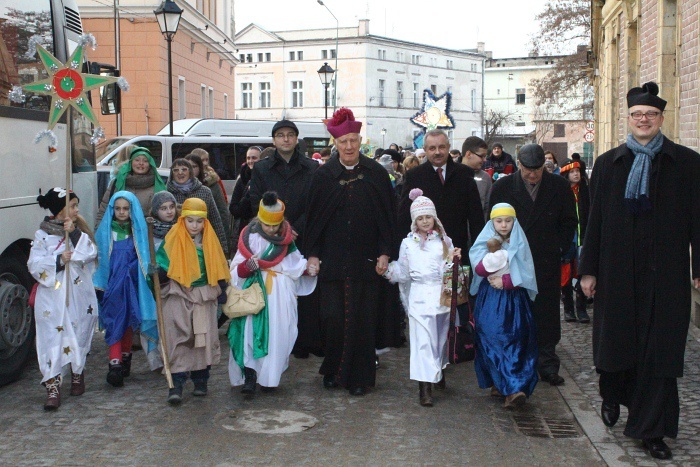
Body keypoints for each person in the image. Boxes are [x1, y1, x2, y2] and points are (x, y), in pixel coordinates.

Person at [579, 82, 700, 460]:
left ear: (661, 119)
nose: (643, 120)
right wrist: (588, 271)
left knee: (660, 353)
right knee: (616, 346)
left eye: (650, 115)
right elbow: (594, 220)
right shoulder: (608, 163)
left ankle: (652, 431)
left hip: (666, 274)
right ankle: (613, 394)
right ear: (628, 120)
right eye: (636, 115)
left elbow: (699, 219)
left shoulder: (686, 163)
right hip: (617, 272)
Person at [304, 107, 397, 396]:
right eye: (343, 142)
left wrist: (385, 253)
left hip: (366, 260)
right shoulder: (323, 176)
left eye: (353, 141)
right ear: (336, 144)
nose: (348, 146)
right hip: (332, 260)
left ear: (360, 142)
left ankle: (359, 376)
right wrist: (313, 254)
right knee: (332, 318)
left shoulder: (377, 174)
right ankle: (332, 369)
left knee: (363, 318)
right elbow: (313, 219)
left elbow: (387, 217)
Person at [489, 143, 577, 386]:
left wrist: (559, 246)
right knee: (515, 312)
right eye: (528, 169)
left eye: (537, 170)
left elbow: (570, 221)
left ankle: (547, 363)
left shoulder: (558, 186)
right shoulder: (503, 187)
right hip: (513, 261)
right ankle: (516, 363)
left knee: (546, 313)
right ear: (519, 165)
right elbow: (492, 222)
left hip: (545, 260)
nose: (532, 175)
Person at [228, 192, 316, 395]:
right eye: (267, 225)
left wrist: (308, 269)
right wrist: (246, 269)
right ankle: (249, 376)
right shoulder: (249, 238)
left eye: (275, 226)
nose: (270, 229)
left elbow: (295, 264)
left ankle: (270, 377)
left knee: (279, 333)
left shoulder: (286, 241)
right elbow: (236, 269)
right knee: (249, 333)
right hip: (253, 294)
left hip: (279, 295)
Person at [244, 120, 320, 358]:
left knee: (303, 286)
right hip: (272, 235)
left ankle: (303, 341)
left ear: (296, 139)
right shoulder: (262, 168)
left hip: (303, 234)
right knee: (277, 290)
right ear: (274, 140)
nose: (286, 139)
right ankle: (276, 338)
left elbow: (316, 202)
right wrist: (280, 227)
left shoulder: (312, 167)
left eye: (290, 135)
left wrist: (296, 227)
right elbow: (256, 200)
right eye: (280, 135)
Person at [384, 189, 460, 407]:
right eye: (420, 218)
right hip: (419, 296)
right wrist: (389, 271)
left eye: (428, 217)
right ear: (414, 221)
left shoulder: (444, 241)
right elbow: (404, 271)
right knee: (422, 342)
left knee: (439, 340)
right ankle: (424, 387)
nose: (425, 222)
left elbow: (448, 267)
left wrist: (454, 261)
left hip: (441, 297)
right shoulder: (408, 243)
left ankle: (438, 369)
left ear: (434, 218)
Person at [28, 188, 99, 410]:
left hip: (77, 293)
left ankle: (77, 372)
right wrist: (59, 260)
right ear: (60, 210)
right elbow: (34, 264)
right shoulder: (42, 236)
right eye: (73, 206)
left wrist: (75, 234)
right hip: (52, 297)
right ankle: (52, 384)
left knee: (78, 329)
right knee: (51, 337)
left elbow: (90, 253)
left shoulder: (77, 232)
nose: (77, 210)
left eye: (77, 205)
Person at [155, 197, 230, 404]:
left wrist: (222, 291)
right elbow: (162, 265)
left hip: (203, 296)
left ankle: (200, 380)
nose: (195, 225)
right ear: (183, 220)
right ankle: (176, 383)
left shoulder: (210, 242)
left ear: (205, 222)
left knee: (202, 339)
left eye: (199, 221)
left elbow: (219, 268)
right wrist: (158, 274)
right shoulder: (172, 239)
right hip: (178, 294)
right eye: (190, 220)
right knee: (178, 337)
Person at [469, 203, 539, 409]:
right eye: (499, 221)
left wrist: (507, 281)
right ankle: (499, 381)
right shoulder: (484, 241)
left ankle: (514, 387)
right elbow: (479, 267)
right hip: (490, 298)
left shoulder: (519, 242)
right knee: (490, 336)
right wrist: (493, 261)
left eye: (508, 221)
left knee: (516, 338)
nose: (504, 225)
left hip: (514, 301)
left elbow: (526, 269)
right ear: (492, 222)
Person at [94, 191, 158, 387]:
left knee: (129, 322)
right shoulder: (105, 233)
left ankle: (125, 356)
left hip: (131, 286)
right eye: (118, 209)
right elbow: (99, 261)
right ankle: (114, 363)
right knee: (114, 322)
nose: (122, 212)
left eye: (126, 209)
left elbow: (144, 257)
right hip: (112, 286)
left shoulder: (138, 232)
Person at [398, 130, 485, 253]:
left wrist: (480, 251)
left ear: (449, 147)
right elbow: (404, 216)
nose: (437, 152)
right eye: (432, 148)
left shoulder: (464, 174)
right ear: (425, 149)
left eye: (442, 147)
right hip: (424, 251)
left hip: (457, 249)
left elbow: (476, 217)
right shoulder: (414, 176)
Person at [166, 158, 228, 255]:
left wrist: (223, 249)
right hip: (176, 246)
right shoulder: (167, 194)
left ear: (190, 172)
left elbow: (216, 221)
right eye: (176, 170)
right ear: (171, 173)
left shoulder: (205, 191)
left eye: (184, 169)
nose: (180, 173)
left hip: (202, 245)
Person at [96, 146, 167, 226]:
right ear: (130, 163)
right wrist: (98, 231)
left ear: (150, 164)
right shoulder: (118, 182)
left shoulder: (158, 185)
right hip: (119, 233)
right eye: (137, 160)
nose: (141, 163)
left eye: (145, 161)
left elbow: (165, 214)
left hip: (147, 234)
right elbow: (104, 210)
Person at [559, 160, 590, 323]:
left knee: (582, 272)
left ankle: (582, 308)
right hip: (568, 239)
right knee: (566, 274)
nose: (576, 174)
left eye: (578, 171)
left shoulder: (586, 191)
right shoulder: (562, 192)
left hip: (583, 237)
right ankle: (568, 309)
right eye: (572, 172)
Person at [187, 150, 232, 252]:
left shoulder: (211, 181)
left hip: (207, 233)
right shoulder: (178, 186)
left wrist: (224, 243)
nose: (205, 163)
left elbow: (222, 210)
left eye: (207, 160)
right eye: (203, 160)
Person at [229, 146, 262, 254]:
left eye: (254, 158)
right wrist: (248, 194)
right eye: (248, 158)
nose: (250, 161)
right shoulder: (242, 179)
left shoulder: (266, 178)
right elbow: (233, 208)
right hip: (243, 229)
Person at [459, 136, 492, 221]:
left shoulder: (485, 178)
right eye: (481, 156)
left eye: (485, 156)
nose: (485, 160)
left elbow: (487, 208)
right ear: (468, 154)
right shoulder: (451, 174)